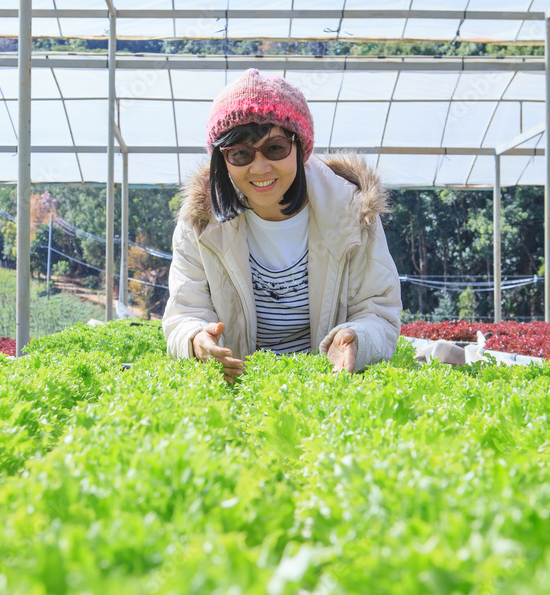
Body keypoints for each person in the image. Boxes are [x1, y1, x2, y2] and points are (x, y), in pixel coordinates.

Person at [162, 68, 402, 381]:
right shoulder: (200, 223)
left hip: (330, 389)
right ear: (222, 159)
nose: (259, 167)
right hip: (237, 391)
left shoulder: (354, 213)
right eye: (240, 153)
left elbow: (379, 312)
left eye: (276, 148)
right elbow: (184, 313)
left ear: (301, 148)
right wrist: (196, 340)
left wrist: (355, 339)